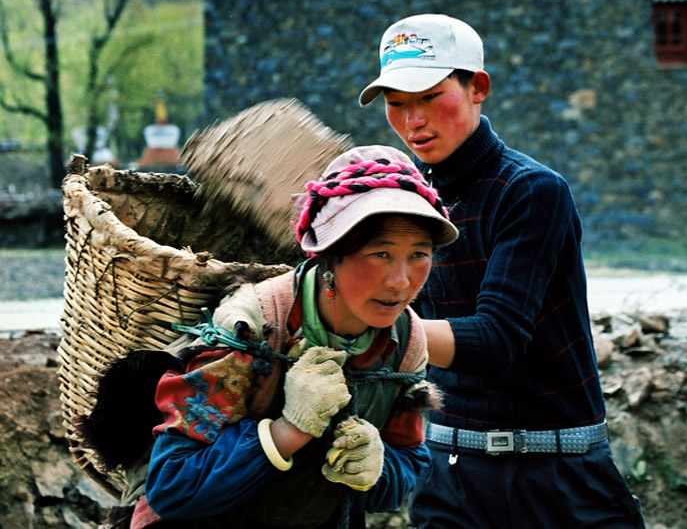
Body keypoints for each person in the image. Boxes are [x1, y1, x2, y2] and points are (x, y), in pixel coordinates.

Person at [359, 14, 647, 529]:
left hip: (560, 472)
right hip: (450, 474)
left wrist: (366, 324)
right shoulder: (401, 203)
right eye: (396, 103)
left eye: (428, 96)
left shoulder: (531, 191)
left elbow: (497, 339)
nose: (412, 120)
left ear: (478, 87)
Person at [129, 145, 459, 528]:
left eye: (419, 255)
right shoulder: (248, 329)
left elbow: (408, 464)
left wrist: (377, 466)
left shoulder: (405, 342)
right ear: (330, 255)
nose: (401, 281)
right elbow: (172, 488)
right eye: (380, 254)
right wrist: (287, 432)